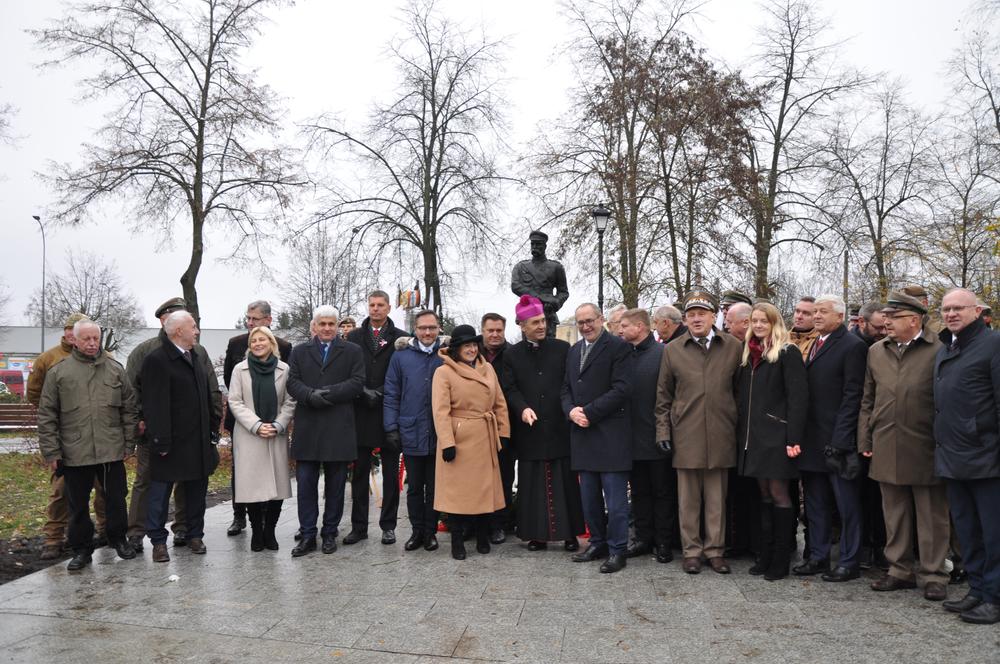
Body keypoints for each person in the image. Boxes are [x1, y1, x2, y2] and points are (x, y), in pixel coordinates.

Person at [858, 292, 949, 601]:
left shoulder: (939, 350)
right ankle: (899, 570)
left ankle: (934, 574)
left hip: (926, 444)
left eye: (893, 317)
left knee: (931, 515)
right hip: (886, 441)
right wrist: (865, 438)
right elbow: (867, 399)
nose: (886, 322)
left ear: (914, 319)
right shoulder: (876, 352)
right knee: (894, 513)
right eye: (885, 316)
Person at [37, 319, 138, 570]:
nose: (92, 343)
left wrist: (129, 443)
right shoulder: (59, 372)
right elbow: (47, 414)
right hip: (75, 451)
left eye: (96, 338)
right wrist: (52, 451)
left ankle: (118, 539)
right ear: (75, 340)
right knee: (77, 505)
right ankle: (81, 549)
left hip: (111, 450)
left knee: (116, 499)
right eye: (87, 339)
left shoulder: (115, 369)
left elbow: (129, 409)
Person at [655, 291, 742, 575]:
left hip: (721, 433)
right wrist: (663, 432)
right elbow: (663, 397)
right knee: (688, 500)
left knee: (717, 500)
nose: (696, 319)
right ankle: (691, 551)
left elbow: (741, 393)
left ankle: (715, 551)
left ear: (714, 316)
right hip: (686, 434)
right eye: (691, 314)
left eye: (701, 314)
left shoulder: (732, 347)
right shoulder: (673, 349)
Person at [126, 297, 222, 553]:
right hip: (161, 437)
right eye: (193, 325)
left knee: (191, 488)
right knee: (151, 486)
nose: (197, 330)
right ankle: (140, 534)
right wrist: (141, 424)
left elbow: (210, 390)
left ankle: (188, 532)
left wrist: (214, 425)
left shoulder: (197, 353)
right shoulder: (149, 353)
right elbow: (134, 393)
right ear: (170, 323)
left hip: (196, 437)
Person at [934, 289, 1000, 624]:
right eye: (946, 309)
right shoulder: (949, 346)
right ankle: (977, 589)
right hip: (954, 457)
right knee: (968, 530)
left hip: (986, 459)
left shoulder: (993, 344)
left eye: (958, 308)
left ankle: (995, 596)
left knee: (994, 534)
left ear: (977, 310)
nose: (951, 314)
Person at [793, 294, 868, 582]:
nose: (817, 316)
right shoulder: (814, 344)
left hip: (837, 443)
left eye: (823, 312)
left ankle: (849, 561)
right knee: (816, 504)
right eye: (815, 312)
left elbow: (853, 396)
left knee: (846, 506)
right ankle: (818, 556)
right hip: (812, 441)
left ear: (840, 316)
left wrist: (840, 439)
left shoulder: (852, 347)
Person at [501, 295, 584, 552]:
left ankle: (570, 534)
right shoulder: (511, 355)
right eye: (535, 322)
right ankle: (536, 535)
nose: (541, 326)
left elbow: (570, 383)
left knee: (565, 483)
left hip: (559, 427)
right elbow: (510, 389)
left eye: (543, 321)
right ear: (522, 325)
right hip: (530, 431)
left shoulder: (562, 349)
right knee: (532, 484)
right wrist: (522, 408)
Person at [285, 305, 365, 557]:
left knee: (336, 485)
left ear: (338, 326)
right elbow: (292, 382)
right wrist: (310, 395)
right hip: (308, 426)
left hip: (338, 426)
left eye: (332, 324)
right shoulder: (299, 352)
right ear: (314, 327)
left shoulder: (352, 351)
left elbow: (357, 382)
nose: (328, 328)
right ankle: (307, 534)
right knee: (306, 485)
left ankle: (330, 532)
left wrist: (326, 395)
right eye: (323, 324)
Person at [27, 312, 108, 560]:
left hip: (99, 438)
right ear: (66, 333)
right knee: (61, 490)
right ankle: (54, 537)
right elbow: (36, 395)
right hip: (67, 439)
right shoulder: (48, 359)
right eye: (70, 330)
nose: (74, 335)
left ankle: (106, 530)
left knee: (103, 488)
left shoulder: (104, 358)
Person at [736, 302, 808, 580]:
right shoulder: (749, 354)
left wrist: (793, 437)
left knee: (779, 495)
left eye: (764, 321)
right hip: (753, 438)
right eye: (754, 321)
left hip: (777, 437)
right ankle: (764, 554)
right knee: (763, 496)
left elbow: (798, 398)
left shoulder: (787, 353)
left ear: (774, 322)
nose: (758, 325)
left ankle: (781, 557)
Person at [562, 303, 633, 574]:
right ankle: (597, 543)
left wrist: (589, 413)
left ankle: (617, 550)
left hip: (610, 436)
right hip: (582, 435)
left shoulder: (618, 348)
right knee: (589, 499)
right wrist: (570, 411)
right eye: (580, 322)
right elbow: (565, 388)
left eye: (589, 320)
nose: (585, 326)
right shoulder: (573, 351)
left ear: (601, 319)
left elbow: (622, 389)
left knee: (615, 503)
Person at [431, 324, 511, 560]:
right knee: (458, 493)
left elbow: (500, 403)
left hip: (485, 437)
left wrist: (503, 433)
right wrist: (447, 442)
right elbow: (440, 411)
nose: (472, 349)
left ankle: (483, 535)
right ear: (456, 349)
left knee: (483, 490)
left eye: (474, 345)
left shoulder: (488, 370)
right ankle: (457, 539)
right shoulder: (443, 373)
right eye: (466, 345)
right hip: (459, 437)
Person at [222, 300, 293, 537]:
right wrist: (255, 424)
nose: (250, 324)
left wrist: (277, 424)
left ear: (268, 322)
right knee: (246, 477)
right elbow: (233, 394)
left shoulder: (285, 354)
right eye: (248, 319)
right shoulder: (236, 346)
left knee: (274, 476)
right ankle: (239, 516)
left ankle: (268, 528)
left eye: (255, 319)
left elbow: (289, 397)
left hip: (275, 428)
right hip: (247, 428)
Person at [344, 291, 409, 546]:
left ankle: (388, 525)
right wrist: (361, 391)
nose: (375, 309)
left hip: (388, 411)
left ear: (389, 307)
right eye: (372, 305)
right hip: (360, 411)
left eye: (380, 305)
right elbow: (347, 371)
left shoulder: (401, 338)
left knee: (391, 473)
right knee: (359, 473)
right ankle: (359, 526)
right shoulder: (354, 337)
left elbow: (404, 374)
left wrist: (381, 392)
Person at [384, 309, 445, 552]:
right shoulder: (401, 357)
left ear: (438, 328)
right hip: (411, 430)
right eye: (422, 328)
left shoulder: (446, 355)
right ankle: (416, 531)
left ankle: (430, 532)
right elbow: (391, 393)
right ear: (415, 330)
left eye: (431, 327)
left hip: (439, 432)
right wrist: (391, 428)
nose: (427, 332)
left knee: (435, 487)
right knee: (415, 487)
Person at [619, 308, 675, 564]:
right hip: (631, 437)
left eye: (624, 325)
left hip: (657, 436)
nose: (619, 330)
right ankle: (642, 537)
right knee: (639, 492)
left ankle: (663, 541)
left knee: (662, 492)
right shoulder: (623, 355)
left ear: (639, 327)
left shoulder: (663, 353)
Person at [481, 312, 515, 544]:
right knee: (476, 477)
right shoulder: (470, 350)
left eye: (499, 331)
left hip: (505, 425)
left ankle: (499, 524)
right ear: (482, 330)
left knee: (503, 476)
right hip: (476, 428)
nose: (495, 335)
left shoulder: (513, 354)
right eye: (490, 330)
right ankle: (475, 523)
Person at [511, 229, 570, 337]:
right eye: (532, 244)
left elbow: (563, 292)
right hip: (528, 313)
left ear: (545, 246)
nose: (535, 247)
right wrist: (540, 298)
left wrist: (556, 303)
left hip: (547, 314)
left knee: (550, 350)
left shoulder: (556, 267)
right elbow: (515, 286)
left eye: (538, 244)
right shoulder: (521, 267)